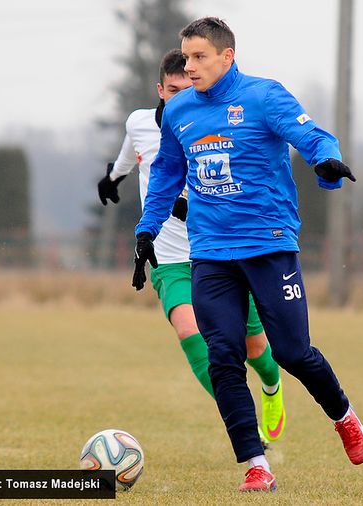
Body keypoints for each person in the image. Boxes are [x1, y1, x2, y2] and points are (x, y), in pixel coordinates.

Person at [132, 18, 363, 492]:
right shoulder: (178, 111)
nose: (189, 66)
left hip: (268, 245)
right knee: (223, 357)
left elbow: (312, 136)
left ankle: (344, 415)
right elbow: (165, 176)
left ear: (227, 57)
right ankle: (257, 465)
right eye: (186, 56)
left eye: (199, 57)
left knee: (292, 352)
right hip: (210, 252)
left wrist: (325, 162)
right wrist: (146, 231)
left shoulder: (264, 96)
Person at [98, 49, 287, 445]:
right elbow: (131, 154)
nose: (179, 97)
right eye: (172, 90)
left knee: (255, 347)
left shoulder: (212, 123)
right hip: (169, 258)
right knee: (189, 330)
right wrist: (113, 178)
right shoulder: (139, 123)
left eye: (187, 89)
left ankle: (271, 387)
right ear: (160, 90)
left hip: (220, 251)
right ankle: (244, 423)